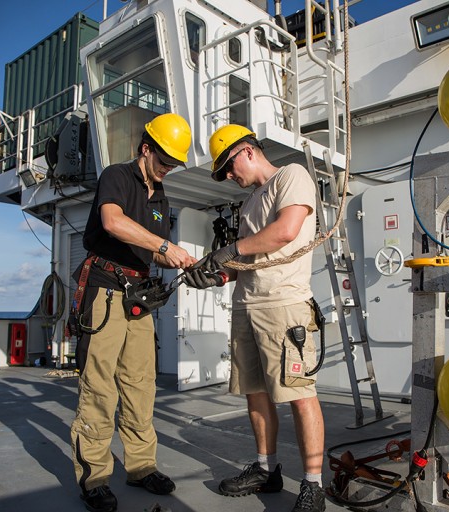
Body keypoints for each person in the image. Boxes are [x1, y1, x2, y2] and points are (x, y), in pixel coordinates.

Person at [184, 124, 327, 512]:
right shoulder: (250, 204)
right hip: (247, 305)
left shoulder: (291, 176)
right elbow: (247, 258)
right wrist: (216, 273)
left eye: (229, 167)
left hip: (284, 306)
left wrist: (227, 250)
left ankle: (313, 486)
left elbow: (285, 232)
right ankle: (266, 469)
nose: (230, 176)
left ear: (247, 150)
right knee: (255, 392)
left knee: (299, 394)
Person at [70, 112, 198, 512]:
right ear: (146, 149)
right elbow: (112, 222)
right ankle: (94, 477)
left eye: (173, 165)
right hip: (105, 293)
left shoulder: (160, 196)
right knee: (99, 387)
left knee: (141, 385)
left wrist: (187, 265)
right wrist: (165, 248)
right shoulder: (117, 176)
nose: (167, 170)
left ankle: (141, 467)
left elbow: (151, 248)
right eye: (163, 162)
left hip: (138, 299)